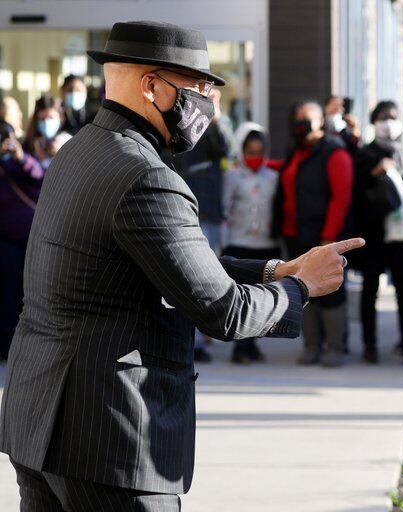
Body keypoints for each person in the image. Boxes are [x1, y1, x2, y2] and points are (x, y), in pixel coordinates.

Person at [0, 21, 363, 511]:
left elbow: (180, 260)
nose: (208, 105)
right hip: (107, 438)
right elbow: (224, 312)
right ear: (152, 86)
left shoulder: (79, 151)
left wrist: (277, 270)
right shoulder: (146, 174)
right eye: (198, 89)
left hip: (39, 421)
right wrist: (302, 286)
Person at [274, 99, 353, 367]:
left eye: (306, 118)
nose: (300, 123)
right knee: (303, 290)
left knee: (330, 290)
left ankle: (335, 347)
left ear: (321, 121)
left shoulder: (334, 152)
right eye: (297, 118)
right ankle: (311, 345)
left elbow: (341, 197)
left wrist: (329, 236)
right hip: (295, 234)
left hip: (323, 235)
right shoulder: (295, 150)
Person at [353, 100, 403, 365]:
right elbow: (356, 194)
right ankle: (369, 345)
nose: (389, 122)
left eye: (393, 117)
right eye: (383, 117)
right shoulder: (365, 154)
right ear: (374, 122)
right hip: (374, 235)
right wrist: (374, 173)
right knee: (370, 290)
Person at [173, 88, 231, 362]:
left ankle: (204, 338)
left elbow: (226, 150)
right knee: (185, 275)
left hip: (206, 210)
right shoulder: (178, 120)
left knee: (208, 275)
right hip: (181, 208)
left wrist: (216, 117)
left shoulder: (214, 126)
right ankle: (192, 339)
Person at [223, 122, 281, 364]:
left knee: (261, 298)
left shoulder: (273, 177)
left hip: (266, 243)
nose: (255, 157)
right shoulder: (233, 176)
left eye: (259, 153)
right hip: (240, 241)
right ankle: (240, 347)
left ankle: (253, 343)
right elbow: (225, 208)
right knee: (241, 298)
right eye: (250, 152)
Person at [0, 122, 44, 362]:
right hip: (5, 242)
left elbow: (38, 175)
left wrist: (19, 157)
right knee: (7, 296)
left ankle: (30, 347)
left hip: (30, 238)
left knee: (29, 293)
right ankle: (8, 347)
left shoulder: (19, 161)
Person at [22, 94, 65, 170]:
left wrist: (63, 155)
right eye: (42, 119)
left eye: (51, 118)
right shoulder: (30, 143)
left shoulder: (68, 141)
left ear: (60, 118)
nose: (46, 123)